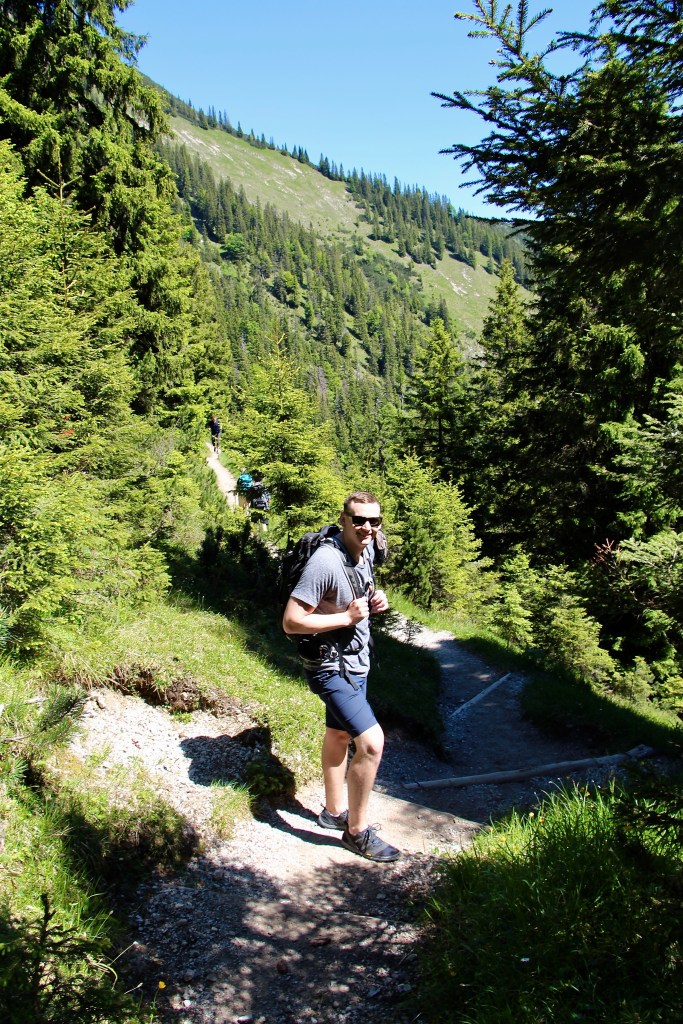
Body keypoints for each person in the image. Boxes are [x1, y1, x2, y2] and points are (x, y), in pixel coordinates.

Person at [282, 491, 400, 862]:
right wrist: (345, 618)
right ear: (344, 519)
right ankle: (357, 832)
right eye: (359, 520)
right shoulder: (325, 562)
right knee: (371, 743)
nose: (367, 527)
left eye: (374, 521)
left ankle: (334, 813)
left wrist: (374, 600)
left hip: (354, 663)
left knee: (338, 732)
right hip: (330, 666)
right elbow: (291, 621)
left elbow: (353, 596)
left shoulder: (362, 552)